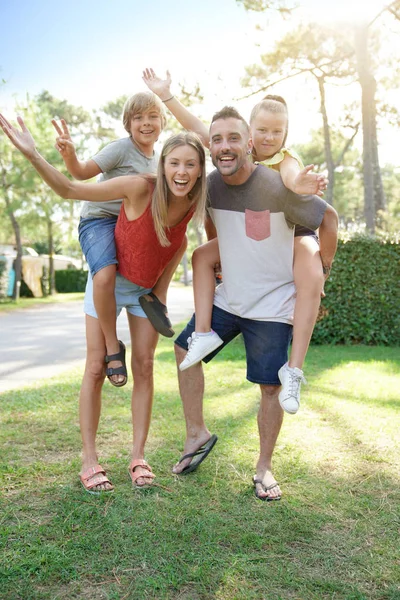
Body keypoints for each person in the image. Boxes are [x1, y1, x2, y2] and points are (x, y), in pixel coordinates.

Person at [0, 112, 206, 494]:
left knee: (144, 366)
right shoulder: (139, 186)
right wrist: (33, 154)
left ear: (198, 171)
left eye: (190, 164)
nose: (181, 171)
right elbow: (69, 189)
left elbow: (176, 244)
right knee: (96, 367)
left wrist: (159, 298)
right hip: (107, 286)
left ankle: (138, 456)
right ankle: (90, 459)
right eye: (174, 163)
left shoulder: (193, 202)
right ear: (161, 166)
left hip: (143, 292)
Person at [169, 106, 337, 500]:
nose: (224, 146)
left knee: (269, 387)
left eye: (233, 139)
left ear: (249, 144)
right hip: (230, 297)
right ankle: (197, 434)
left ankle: (264, 468)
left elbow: (327, 218)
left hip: (273, 305)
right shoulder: (208, 184)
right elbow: (211, 223)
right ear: (210, 146)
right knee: (183, 351)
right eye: (217, 139)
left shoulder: (279, 185)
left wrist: (321, 273)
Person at [143, 69, 328, 414]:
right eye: (262, 130)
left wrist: (301, 186)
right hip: (255, 232)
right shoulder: (237, 156)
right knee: (201, 256)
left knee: (312, 281)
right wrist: (167, 97)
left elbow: (296, 184)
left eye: (277, 131)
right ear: (251, 137)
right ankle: (203, 333)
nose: (269, 137)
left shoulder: (286, 162)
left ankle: (295, 368)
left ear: (284, 134)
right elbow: (204, 132)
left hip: (294, 230)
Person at [52, 91, 177, 389]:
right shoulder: (120, 149)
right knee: (105, 275)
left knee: (176, 240)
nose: (146, 124)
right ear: (128, 124)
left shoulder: (161, 162)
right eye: (138, 118)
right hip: (98, 222)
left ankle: (156, 298)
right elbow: (80, 173)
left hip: (130, 225)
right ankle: (112, 347)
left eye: (152, 117)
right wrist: (70, 155)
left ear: (162, 122)